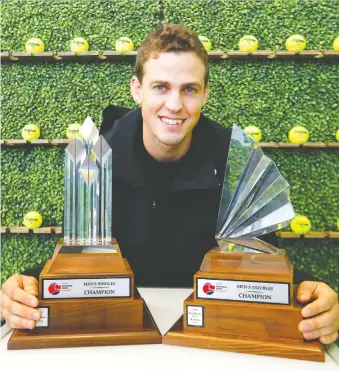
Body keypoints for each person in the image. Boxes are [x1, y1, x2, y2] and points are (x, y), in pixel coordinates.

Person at [1, 24, 338, 344]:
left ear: (205, 94)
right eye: (160, 87)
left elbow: (261, 261)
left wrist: (311, 291)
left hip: (207, 337)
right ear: (137, 89)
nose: (175, 105)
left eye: (189, 89)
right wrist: (26, 287)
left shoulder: (237, 162)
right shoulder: (92, 161)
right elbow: (79, 256)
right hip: (122, 336)